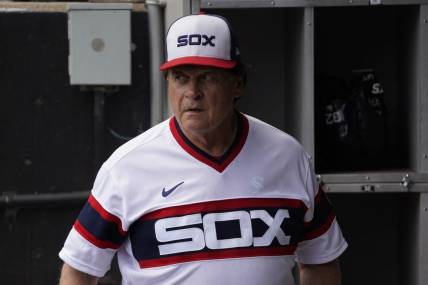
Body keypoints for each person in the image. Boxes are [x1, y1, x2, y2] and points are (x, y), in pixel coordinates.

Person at [58, 14, 347, 285]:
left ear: (238, 83)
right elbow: (79, 269)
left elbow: (320, 260)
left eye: (207, 77)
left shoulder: (287, 156)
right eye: (180, 78)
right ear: (168, 84)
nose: (192, 92)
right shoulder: (127, 167)